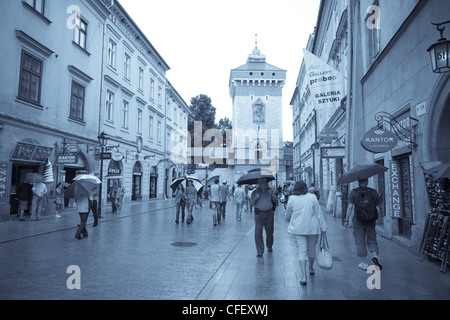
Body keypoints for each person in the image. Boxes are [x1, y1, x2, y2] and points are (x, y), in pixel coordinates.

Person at [285, 180, 327, 286]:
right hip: (312, 228)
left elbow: (288, 215)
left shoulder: (292, 198)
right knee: (311, 249)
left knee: (302, 251)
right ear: (306, 187)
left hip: (298, 228)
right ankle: (311, 268)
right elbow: (319, 214)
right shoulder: (312, 197)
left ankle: (303, 276)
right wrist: (324, 228)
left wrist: (288, 218)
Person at [345, 178, 383, 271]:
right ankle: (374, 255)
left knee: (360, 241)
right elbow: (379, 206)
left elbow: (350, 207)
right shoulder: (373, 192)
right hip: (371, 221)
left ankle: (364, 263)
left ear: (358, 182)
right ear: (367, 182)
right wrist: (377, 218)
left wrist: (346, 219)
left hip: (358, 221)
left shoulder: (354, 192)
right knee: (372, 239)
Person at [250, 178, 278, 257]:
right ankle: (259, 251)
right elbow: (251, 204)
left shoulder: (270, 191)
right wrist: (255, 198)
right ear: (258, 183)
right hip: (258, 214)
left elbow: (276, 201)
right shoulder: (254, 192)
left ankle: (269, 246)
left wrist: (272, 195)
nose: (263, 184)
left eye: (264, 182)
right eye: (261, 182)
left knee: (269, 231)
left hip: (269, 213)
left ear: (266, 183)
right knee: (258, 233)